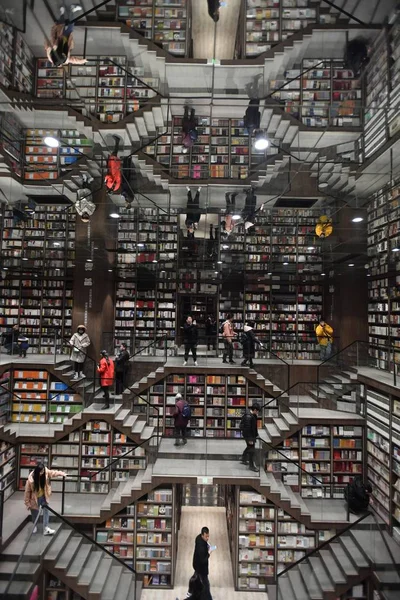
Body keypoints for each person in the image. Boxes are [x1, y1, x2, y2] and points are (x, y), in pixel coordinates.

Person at [24, 462, 67, 535]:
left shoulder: (46, 472)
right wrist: (27, 503)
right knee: (35, 513)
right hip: (34, 499)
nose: (42, 473)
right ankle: (35, 525)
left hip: (44, 496)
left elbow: (53, 473)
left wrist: (61, 473)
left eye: (43, 471)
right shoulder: (31, 479)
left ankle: (46, 527)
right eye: (41, 472)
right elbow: (27, 492)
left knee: (46, 511)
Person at [192, 526, 213, 600]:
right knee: (206, 584)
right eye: (206, 536)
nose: (207, 538)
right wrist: (209, 553)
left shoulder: (198, 538)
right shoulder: (201, 547)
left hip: (196, 565)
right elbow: (203, 560)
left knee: (198, 582)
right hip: (201, 569)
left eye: (208, 536)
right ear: (202, 535)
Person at [240, 403, 260, 473]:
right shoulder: (249, 417)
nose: (257, 413)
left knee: (249, 447)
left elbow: (254, 427)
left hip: (251, 436)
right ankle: (251, 466)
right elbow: (248, 429)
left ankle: (243, 458)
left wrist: (256, 434)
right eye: (257, 411)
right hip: (249, 436)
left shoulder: (253, 415)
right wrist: (250, 439)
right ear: (254, 410)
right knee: (252, 450)